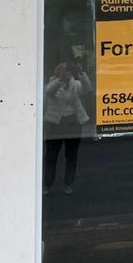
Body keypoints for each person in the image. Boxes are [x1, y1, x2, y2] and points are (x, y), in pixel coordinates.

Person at [43, 61, 90, 194]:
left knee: (71, 155)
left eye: (67, 70)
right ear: (57, 72)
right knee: (51, 155)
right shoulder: (52, 83)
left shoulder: (75, 84)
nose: (65, 72)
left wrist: (81, 73)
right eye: (62, 70)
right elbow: (49, 91)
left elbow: (87, 89)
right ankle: (47, 184)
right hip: (55, 124)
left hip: (73, 123)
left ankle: (68, 183)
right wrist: (60, 80)